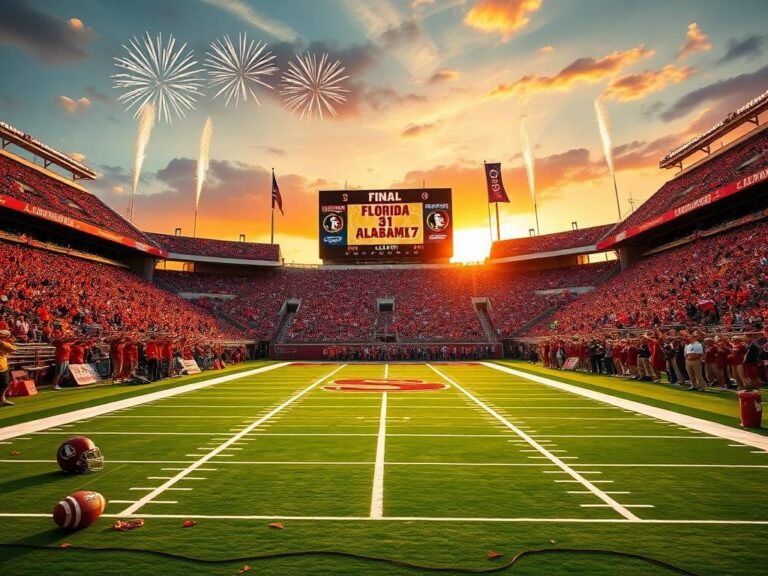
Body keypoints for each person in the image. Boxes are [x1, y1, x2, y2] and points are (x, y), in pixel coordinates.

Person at [0, 330, 17, 406]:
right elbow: (13, 349)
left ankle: (2, 400)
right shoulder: (3, 343)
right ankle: (2, 400)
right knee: (4, 384)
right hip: (2, 367)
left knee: (4, 384)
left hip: (3, 366)